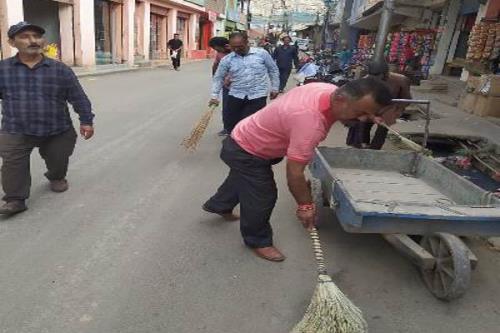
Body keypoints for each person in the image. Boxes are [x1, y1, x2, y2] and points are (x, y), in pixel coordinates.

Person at [203, 78, 393, 262]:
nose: (362, 119)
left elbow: (352, 111)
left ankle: (219, 204)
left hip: (246, 136)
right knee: (262, 195)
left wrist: (370, 114)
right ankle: (257, 241)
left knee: (242, 178)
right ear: (341, 99)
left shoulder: (327, 89)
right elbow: (295, 173)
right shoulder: (309, 121)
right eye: (361, 112)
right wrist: (306, 206)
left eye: (368, 114)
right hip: (247, 151)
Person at [0, 22, 95, 215]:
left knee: (58, 161)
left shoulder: (60, 70)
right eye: (25, 36)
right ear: (12, 42)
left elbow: (78, 96)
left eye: (37, 36)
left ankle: (56, 176)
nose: (33, 40)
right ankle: (15, 199)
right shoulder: (3, 70)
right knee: (12, 163)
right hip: (15, 128)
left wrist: (86, 120)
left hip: (57, 129)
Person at [210, 32, 280, 134]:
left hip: (257, 95)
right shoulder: (227, 59)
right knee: (232, 124)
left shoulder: (262, 54)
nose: (237, 50)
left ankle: (250, 146)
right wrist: (214, 96)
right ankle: (234, 144)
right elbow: (218, 78)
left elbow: (273, 70)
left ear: (247, 43)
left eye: (240, 46)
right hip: (236, 95)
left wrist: (275, 87)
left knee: (252, 124)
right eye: (234, 47)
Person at [346, 59, 412, 149]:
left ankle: (375, 150)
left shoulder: (401, 80)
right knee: (363, 125)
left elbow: (406, 99)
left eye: (378, 76)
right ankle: (364, 145)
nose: (375, 79)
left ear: (385, 74)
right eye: (372, 76)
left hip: (390, 108)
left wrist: (397, 112)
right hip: (372, 107)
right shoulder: (365, 80)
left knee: (382, 130)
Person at [208, 37, 232, 136]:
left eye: (218, 49)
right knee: (226, 108)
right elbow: (215, 66)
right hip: (227, 87)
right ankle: (226, 128)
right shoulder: (219, 55)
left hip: (241, 87)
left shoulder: (236, 52)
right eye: (215, 49)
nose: (217, 51)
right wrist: (216, 80)